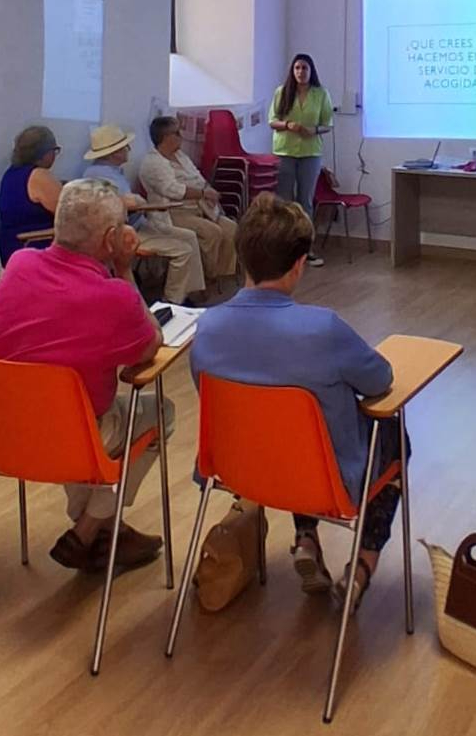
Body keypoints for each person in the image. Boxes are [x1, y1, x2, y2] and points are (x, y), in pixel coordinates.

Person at [190, 194, 402, 610]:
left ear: (242, 257)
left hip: (239, 470)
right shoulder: (322, 329)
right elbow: (380, 379)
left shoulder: (208, 328)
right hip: (323, 479)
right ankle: (361, 565)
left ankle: (306, 539)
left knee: (283, 435)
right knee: (392, 435)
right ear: (299, 265)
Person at [0, 178, 171, 571]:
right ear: (111, 238)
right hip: (69, 438)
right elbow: (151, 342)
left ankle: (106, 534)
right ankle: (89, 530)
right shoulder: (112, 296)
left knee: (71, 403)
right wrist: (123, 268)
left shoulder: (18, 265)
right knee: (159, 412)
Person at [81, 125, 205, 305]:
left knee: (189, 236)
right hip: (124, 231)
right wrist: (145, 204)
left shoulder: (110, 172)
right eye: (125, 147)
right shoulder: (99, 175)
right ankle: (172, 301)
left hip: (138, 223)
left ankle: (189, 292)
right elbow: (127, 203)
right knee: (183, 250)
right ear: (114, 153)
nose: (129, 150)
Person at [139, 116, 237, 282]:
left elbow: (197, 177)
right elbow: (173, 190)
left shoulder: (181, 156)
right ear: (166, 137)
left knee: (231, 228)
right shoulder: (152, 163)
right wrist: (203, 193)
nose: (181, 136)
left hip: (199, 207)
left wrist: (208, 190)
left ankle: (223, 275)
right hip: (174, 211)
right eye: (177, 133)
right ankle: (206, 278)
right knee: (212, 233)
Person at [269, 53, 333, 267]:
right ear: (292, 70)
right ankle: (284, 247)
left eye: (304, 68)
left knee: (305, 200)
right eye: (297, 68)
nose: (300, 72)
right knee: (285, 201)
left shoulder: (321, 93)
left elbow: (328, 124)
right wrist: (288, 125)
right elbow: (272, 121)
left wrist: (313, 130)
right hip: (285, 151)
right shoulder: (282, 92)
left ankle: (306, 249)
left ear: (311, 71)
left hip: (310, 151)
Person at [0, 126, 64, 265]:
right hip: (35, 248)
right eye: (54, 151)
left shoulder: (10, 174)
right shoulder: (39, 176)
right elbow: (69, 215)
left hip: (10, 249)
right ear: (44, 153)